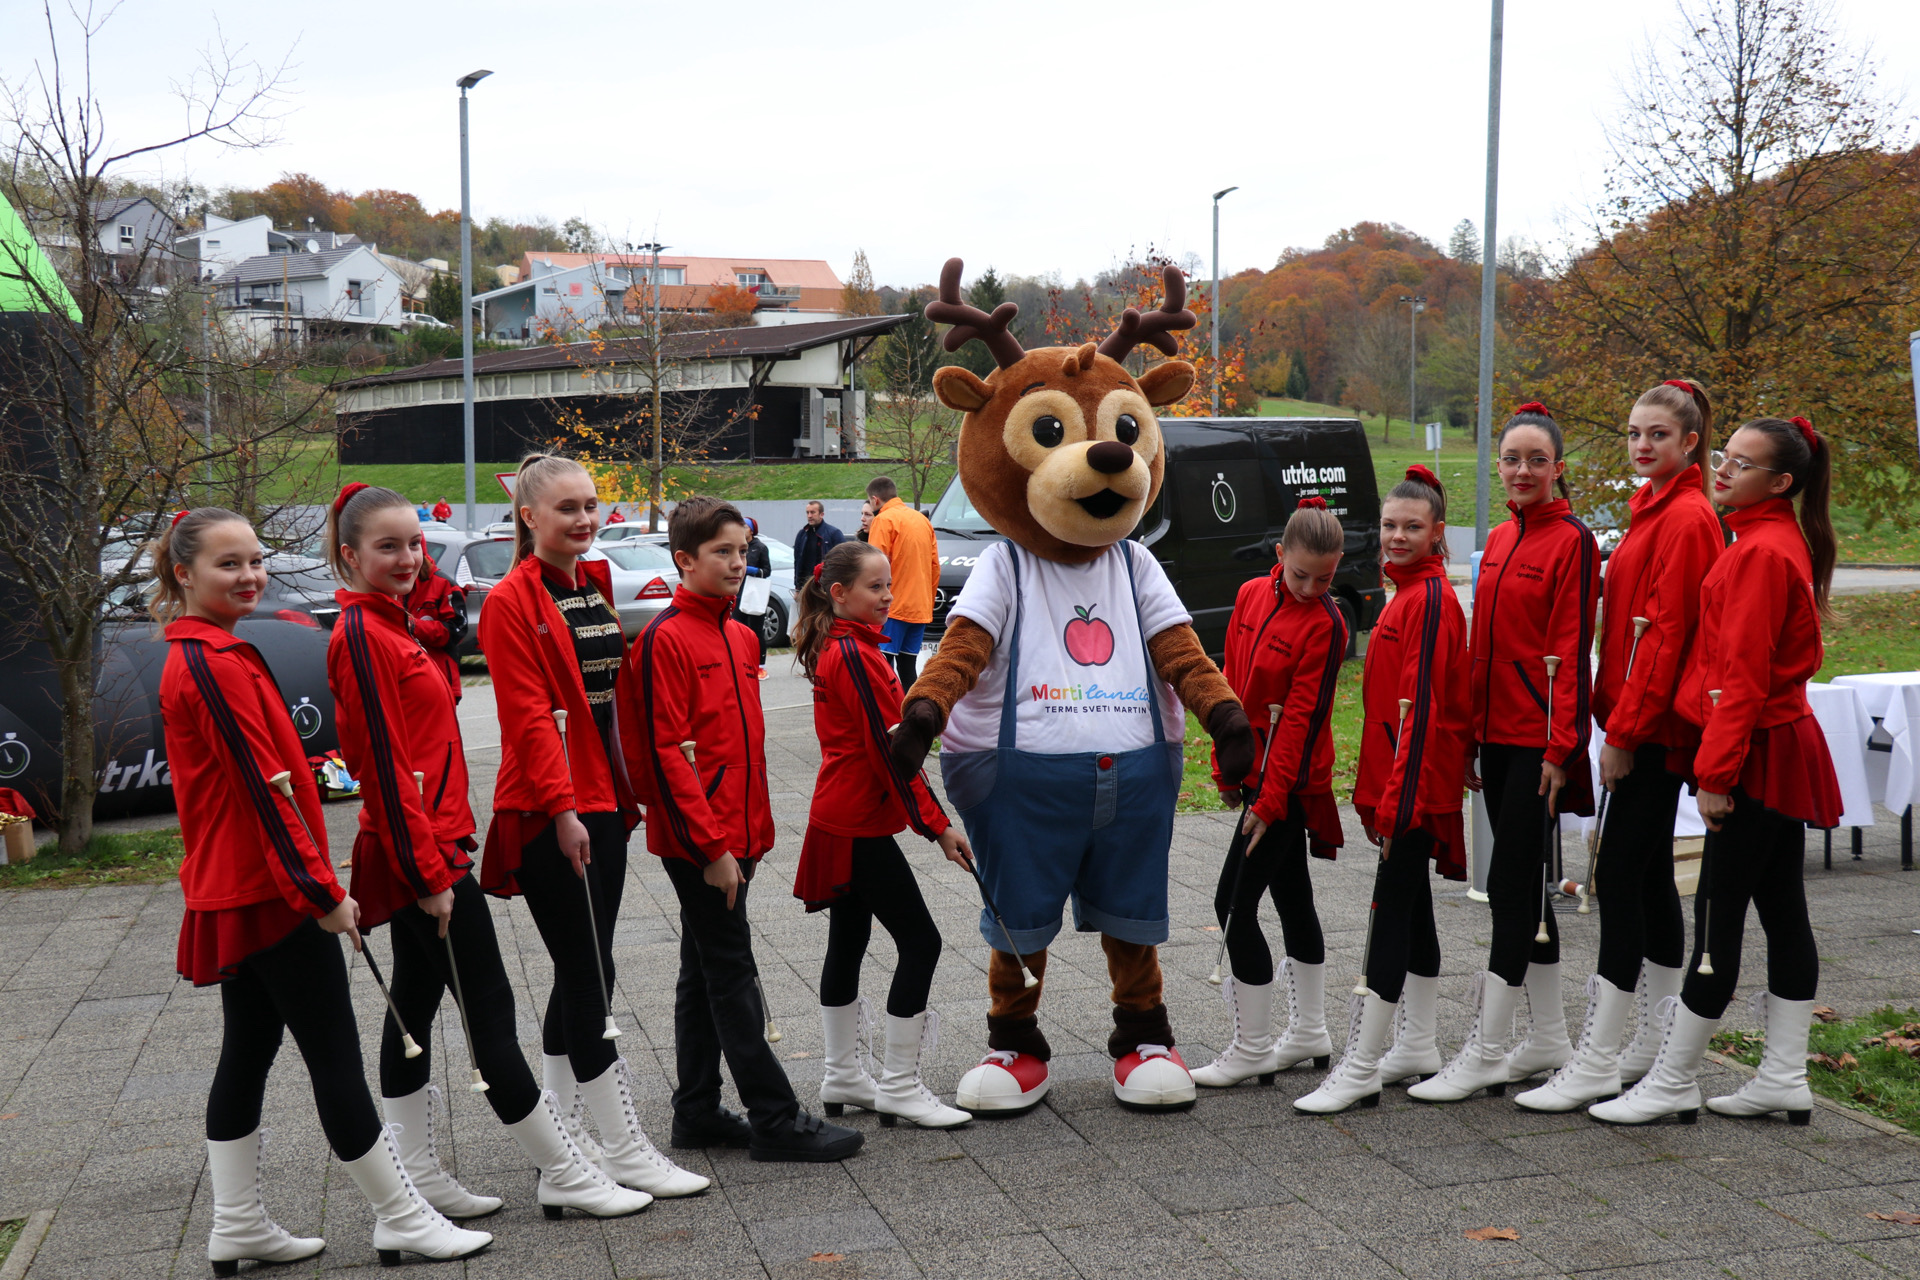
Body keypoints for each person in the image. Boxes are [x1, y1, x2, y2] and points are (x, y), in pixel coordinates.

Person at [153, 507, 492, 1273]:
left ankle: (238, 1224)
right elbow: (261, 791)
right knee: (331, 1053)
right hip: (267, 891)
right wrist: (319, 891)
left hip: (248, 885)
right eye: (227, 565)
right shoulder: (207, 662)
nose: (249, 576)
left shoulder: (217, 651)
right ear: (184, 575)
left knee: (250, 1049)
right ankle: (400, 1214)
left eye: (255, 561)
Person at [325, 482, 649, 1220]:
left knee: (415, 999)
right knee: (492, 1013)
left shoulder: (397, 624)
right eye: (388, 547)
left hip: (431, 844)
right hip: (421, 856)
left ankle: (411, 1179)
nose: (410, 558)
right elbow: (378, 768)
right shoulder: (365, 636)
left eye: (414, 543)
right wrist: (430, 873)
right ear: (349, 556)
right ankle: (561, 1167)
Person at [1592, 415, 1840, 1126]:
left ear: (1781, 482)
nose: (1724, 471)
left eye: (1742, 463)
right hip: (1769, 745)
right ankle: (1784, 1075)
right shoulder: (1762, 538)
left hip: (1756, 753)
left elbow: (1740, 679)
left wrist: (1715, 776)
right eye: (1725, 457)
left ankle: (1673, 1078)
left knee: (1718, 914)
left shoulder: (1761, 551)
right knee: (1781, 907)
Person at [476, 454, 709, 1199]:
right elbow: (527, 720)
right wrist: (565, 810)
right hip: (553, 810)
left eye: (591, 506)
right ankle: (614, 1149)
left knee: (588, 966)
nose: (584, 519)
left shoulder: (594, 583)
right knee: (589, 975)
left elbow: (608, 703)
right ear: (528, 516)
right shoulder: (510, 601)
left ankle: (569, 1141)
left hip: (605, 803)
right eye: (567, 508)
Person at [617, 495, 864, 1162]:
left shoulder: (738, 634)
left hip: (739, 833)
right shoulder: (665, 640)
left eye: (740, 551)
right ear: (684, 560)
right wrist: (713, 848)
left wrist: (744, 837)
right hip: (703, 842)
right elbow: (662, 754)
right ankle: (775, 1118)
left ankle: (695, 1112)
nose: (735, 563)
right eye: (720, 553)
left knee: (702, 972)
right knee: (732, 973)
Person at [1517, 380, 1724, 1113]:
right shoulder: (1654, 508)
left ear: (1691, 442)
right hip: (1645, 721)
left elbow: (1664, 636)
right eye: (1635, 432)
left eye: (1658, 435)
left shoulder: (1687, 517)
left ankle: (1600, 1057)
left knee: (1622, 883)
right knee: (1649, 879)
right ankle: (1654, 1045)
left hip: (1656, 729)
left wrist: (1625, 734)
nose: (1642, 445)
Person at [1412, 403, 1600, 1104]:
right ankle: (1548, 1036)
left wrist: (1560, 746)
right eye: (1511, 459)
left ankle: (1487, 1049)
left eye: (1536, 460)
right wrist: (1464, 738)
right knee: (1517, 889)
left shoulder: (1573, 541)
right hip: (1493, 736)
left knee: (1513, 885)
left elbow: (1571, 648)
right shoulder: (1495, 537)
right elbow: (1475, 648)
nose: (1522, 471)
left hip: (1538, 743)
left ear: (1558, 469)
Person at [1297, 467, 1471, 1114]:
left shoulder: (1426, 601)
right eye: (1390, 526)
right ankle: (1419, 1042)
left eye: (1412, 527)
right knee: (1413, 905)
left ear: (1437, 532)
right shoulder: (1408, 594)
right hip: (1408, 781)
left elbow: (1421, 711)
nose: (1397, 537)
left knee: (1388, 916)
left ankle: (1362, 1063)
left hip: (1415, 787)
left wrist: (1399, 799)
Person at [790, 540, 973, 1129]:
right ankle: (898, 1084)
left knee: (848, 940)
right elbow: (892, 754)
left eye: (889, 586)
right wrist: (939, 827)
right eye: (875, 587)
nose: (888, 597)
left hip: (840, 815)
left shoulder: (844, 645)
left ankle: (842, 1074)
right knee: (922, 942)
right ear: (839, 594)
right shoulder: (856, 656)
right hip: (855, 821)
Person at [1194, 497, 1347, 1089]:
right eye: (1300, 574)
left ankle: (1253, 1045)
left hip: (1291, 784)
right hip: (1255, 776)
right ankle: (1309, 1030)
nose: (1312, 588)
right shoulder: (1252, 594)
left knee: (1230, 904)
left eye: (1327, 579)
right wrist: (1226, 770)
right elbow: (1228, 688)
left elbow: (1303, 723)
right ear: (1279, 555)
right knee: (1291, 899)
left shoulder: (1327, 625)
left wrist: (1269, 800)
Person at [866, 476, 939, 691]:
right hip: (920, 608)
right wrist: (928, 601)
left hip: (892, 607)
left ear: (875, 500)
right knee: (908, 668)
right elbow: (935, 566)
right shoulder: (922, 520)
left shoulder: (884, 520)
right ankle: (912, 714)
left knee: (884, 666)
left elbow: (874, 567)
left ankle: (886, 718)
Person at [404, 545, 467, 701]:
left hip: (441, 678)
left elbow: (457, 630)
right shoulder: (390, 584)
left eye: (412, 546)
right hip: (405, 680)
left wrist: (414, 626)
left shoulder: (444, 584)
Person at [732, 515, 773, 679]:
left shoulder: (760, 547)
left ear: (752, 530)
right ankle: (742, 663)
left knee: (755, 631)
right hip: (739, 593)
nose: (742, 529)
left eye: (745, 527)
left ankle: (760, 666)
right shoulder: (737, 546)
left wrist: (753, 570)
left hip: (755, 594)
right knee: (738, 629)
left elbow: (767, 571)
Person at [793, 499, 845, 582]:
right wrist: (797, 587)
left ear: (821, 514)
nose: (809, 516)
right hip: (805, 584)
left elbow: (843, 561)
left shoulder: (834, 533)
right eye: (807, 512)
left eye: (813, 512)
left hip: (825, 584)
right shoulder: (802, 534)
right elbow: (797, 562)